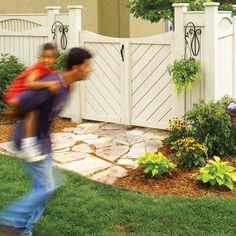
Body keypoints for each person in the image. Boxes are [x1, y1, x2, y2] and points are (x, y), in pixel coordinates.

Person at [0, 47, 92, 236]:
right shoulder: (52, 84)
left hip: (43, 141)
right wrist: (25, 132)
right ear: (76, 67)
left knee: (43, 190)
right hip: (29, 141)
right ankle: (11, 220)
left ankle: (23, 230)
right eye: (87, 66)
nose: (90, 70)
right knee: (48, 186)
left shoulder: (67, 84)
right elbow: (21, 101)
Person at [4, 43, 59, 162]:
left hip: (21, 97)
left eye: (50, 57)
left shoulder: (48, 71)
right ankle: (28, 148)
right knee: (33, 112)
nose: (47, 60)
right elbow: (30, 83)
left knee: (31, 117)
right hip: (16, 96)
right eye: (45, 57)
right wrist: (49, 84)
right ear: (40, 57)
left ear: (55, 58)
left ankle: (22, 146)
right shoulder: (38, 69)